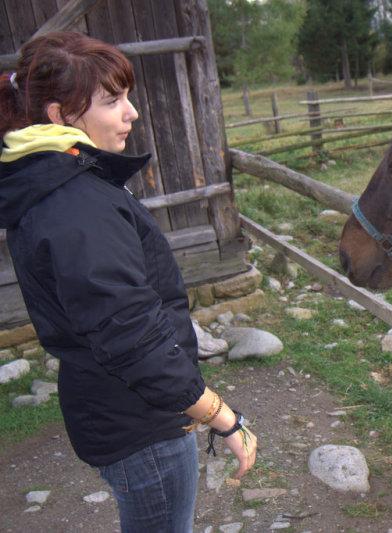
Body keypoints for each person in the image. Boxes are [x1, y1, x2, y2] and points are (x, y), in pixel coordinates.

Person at [0, 31, 257, 532]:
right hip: (141, 423)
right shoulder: (74, 203)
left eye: (127, 97)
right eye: (112, 100)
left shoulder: (59, 181)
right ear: (58, 116)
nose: (132, 112)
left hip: (120, 408)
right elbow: (131, 336)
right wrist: (224, 418)